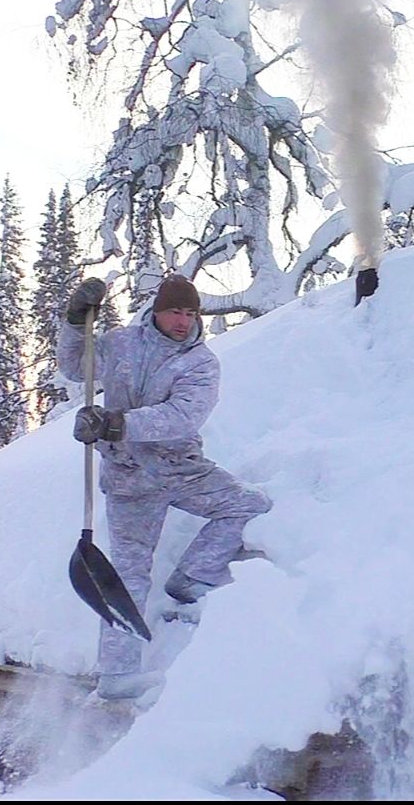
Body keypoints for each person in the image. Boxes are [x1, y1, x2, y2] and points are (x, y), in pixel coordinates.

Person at [59, 273, 273, 700]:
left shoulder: (199, 362)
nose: (182, 321)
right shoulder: (122, 345)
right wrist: (74, 323)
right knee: (128, 573)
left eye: (190, 313)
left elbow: (182, 417)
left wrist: (115, 422)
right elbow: (75, 366)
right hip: (129, 477)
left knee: (248, 505)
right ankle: (118, 675)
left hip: (180, 469)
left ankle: (191, 578)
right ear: (156, 311)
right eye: (175, 311)